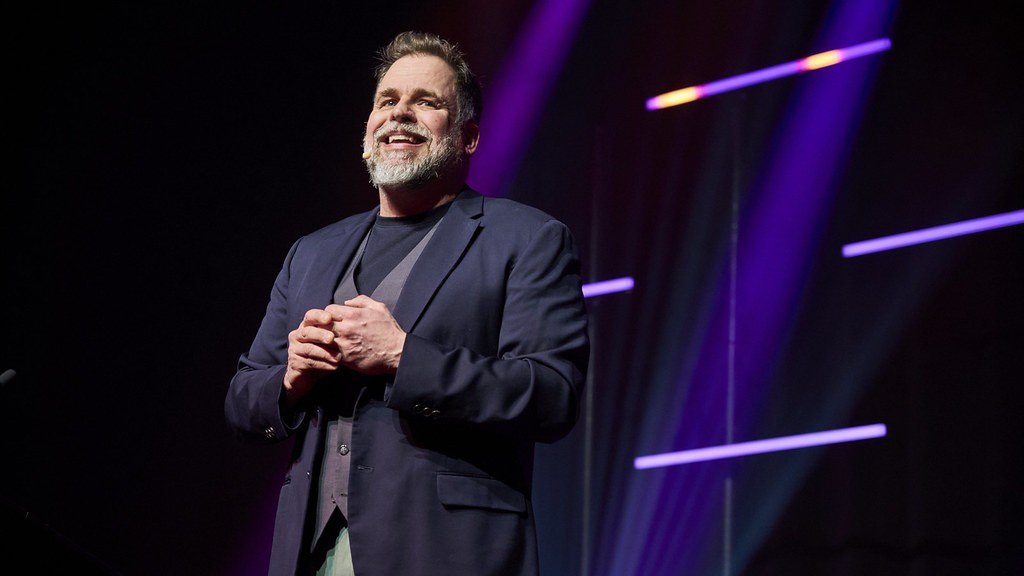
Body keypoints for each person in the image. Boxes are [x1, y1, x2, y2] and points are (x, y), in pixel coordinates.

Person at [225, 30, 590, 576]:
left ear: (467, 137)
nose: (400, 113)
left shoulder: (527, 238)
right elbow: (242, 398)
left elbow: (551, 396)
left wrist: (403, 356)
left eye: (426, 102)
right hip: (311, 553)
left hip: (445, 553)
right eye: (387, 100)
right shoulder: (311, 252)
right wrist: (290, 381)